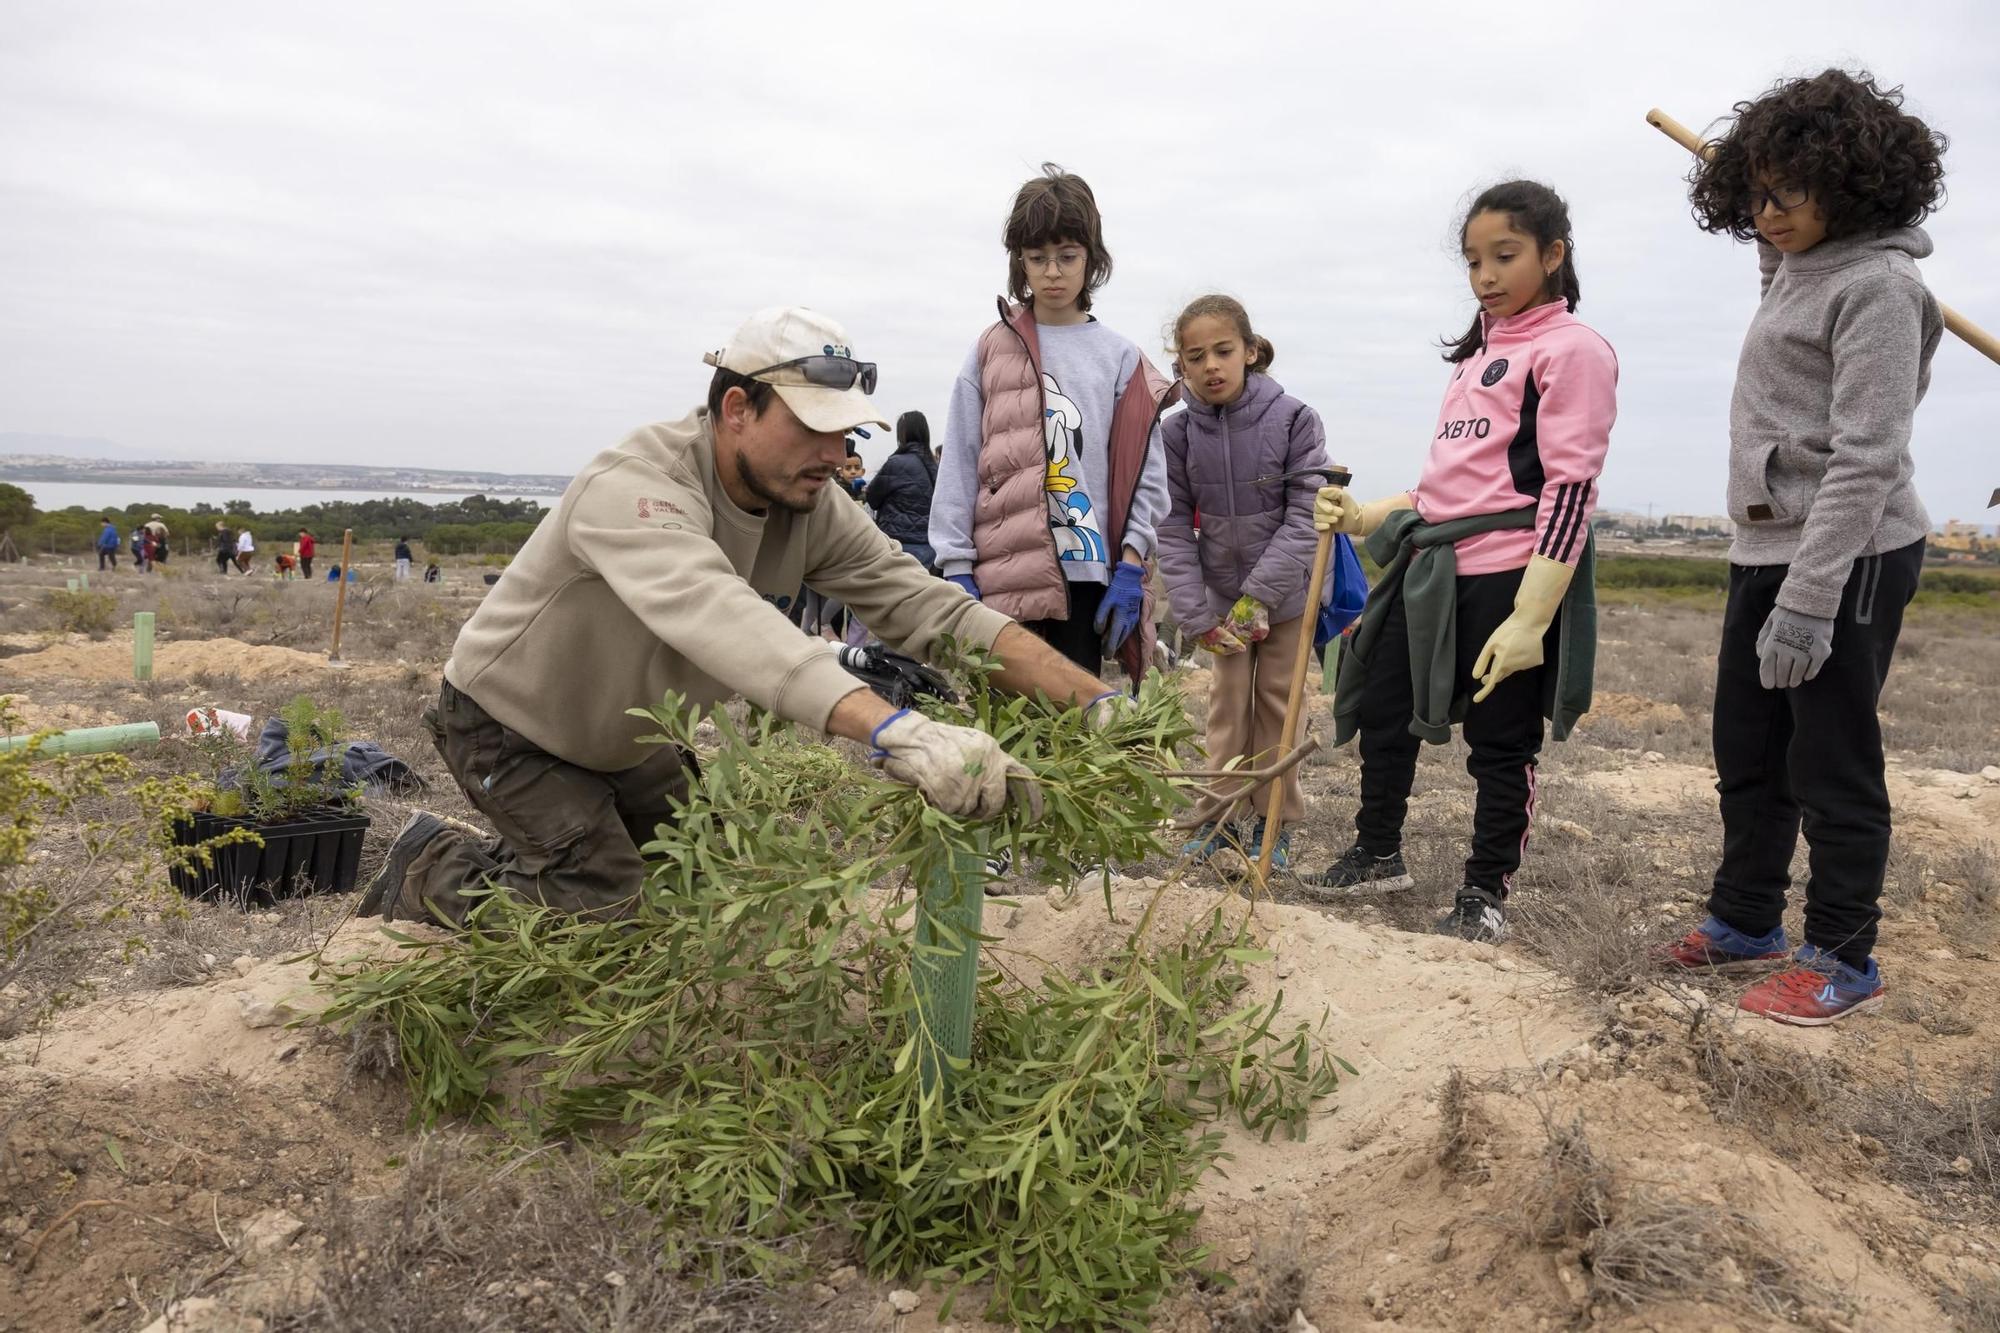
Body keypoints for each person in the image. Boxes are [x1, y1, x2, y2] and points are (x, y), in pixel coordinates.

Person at [360, 307, 1125, 929]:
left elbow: (924, 604)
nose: (836, 453)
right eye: (814, 427)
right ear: (737, 408)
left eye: (846, 433)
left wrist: (1092, 702)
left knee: (712, 884)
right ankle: (428, 869)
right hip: (512, 726)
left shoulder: (807, 501)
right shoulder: (635, 484)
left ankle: (558, 856)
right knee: (609, 905)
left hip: (626, 737)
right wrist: (898, 729)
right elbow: (721, 617)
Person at [1657, 71, 1946, 1026]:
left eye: (1790, 191)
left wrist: (1812, 601)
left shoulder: (1881, 287)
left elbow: (1868, 459)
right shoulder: (1796, 262)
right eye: (1755, 191)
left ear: (1852, 182)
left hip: (1849, 551)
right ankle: (1747, 919)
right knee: (1749, 747)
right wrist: (1767, 198)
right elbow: (1776, 262)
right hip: (1763, 542)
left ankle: (1843, 954)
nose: (1767, 213)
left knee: (1831, 758)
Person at [1307, 180, 1617, 944]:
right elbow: (1443, 487)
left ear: (1552, 255)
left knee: (1501, 742)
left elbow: (1571, 488)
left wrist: (1531, 617)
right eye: (1474, 260)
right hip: (1429, 571)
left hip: (1512, 570)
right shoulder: (1479, 351)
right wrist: (1364, 516)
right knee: (1382, 709)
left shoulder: (1573, 349)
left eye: (1504, 256)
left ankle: (1484, 893)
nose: (1485, 275)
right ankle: (1378, 850)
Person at [929, 163, 1175, 681]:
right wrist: (955, 566)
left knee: (1073, 728)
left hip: (1087, 575)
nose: (1053, 272)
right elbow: (960, 458)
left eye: (1068, 257)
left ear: (1092, 259)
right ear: (1020, 261)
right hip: (1001, 573)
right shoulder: (991, 350)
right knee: (1003, 727)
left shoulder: (1121, 358)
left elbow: (1145, 476)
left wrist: (1132, 563)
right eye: (1038, 258)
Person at [1157, 296, 1332, 874]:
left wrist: (1257, 596)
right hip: (1217, 603)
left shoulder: (1294, 419)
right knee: (1226, 710)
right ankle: (1216, 819)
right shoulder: (1176, 434)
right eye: (1195, 355)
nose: (1211, 365)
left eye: (1224, 351)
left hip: (1283, 598)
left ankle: (1273, 823)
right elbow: (1173, 526)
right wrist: (1196, 614)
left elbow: (1305, 516)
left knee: (1279, 707)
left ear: (1250, 352)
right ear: (1180, 365)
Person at [867, 410, 939, 570]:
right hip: (931, 547)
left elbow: (872, 499)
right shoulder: (935, 466)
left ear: (902, 434)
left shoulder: (896, 463)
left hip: (899, 545)